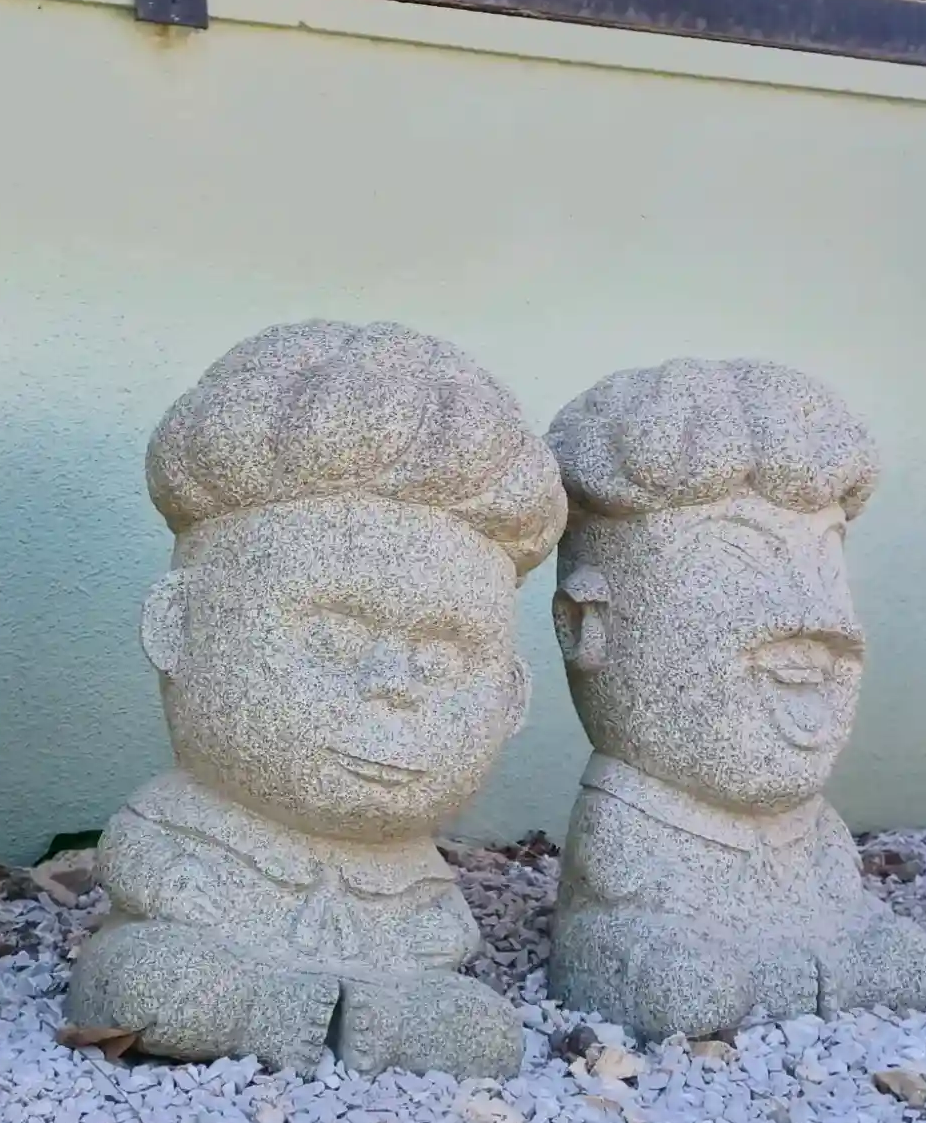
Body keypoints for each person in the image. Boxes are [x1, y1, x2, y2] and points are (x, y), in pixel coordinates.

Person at [67, 321, 565, 1077]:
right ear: (176, 626)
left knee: (481, 1032)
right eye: (335, 637)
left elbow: (442, 928)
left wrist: (426, 941)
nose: (393, 685)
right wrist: (184, 891)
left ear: (512, 696)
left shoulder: (412, 865)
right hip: (208, 955)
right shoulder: (182, 820)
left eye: (438, 657)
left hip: (389, 976)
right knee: (150, 979)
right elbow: (138, 860)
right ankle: (266, 1014)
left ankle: (371, 1025)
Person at [545, 358, 926, 1039]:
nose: (819, 619)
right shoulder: (627, 840)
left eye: (825, 564)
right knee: (684, 985)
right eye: (733, 566)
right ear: (588, 626)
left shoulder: (819, 840)